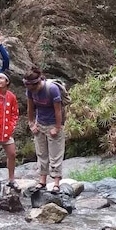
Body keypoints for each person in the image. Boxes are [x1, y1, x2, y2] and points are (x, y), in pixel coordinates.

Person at [24, 65, 65, 193]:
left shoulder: (52, 89)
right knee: (41, 153)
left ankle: (56, 183)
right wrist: (31, 123)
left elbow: (58, 110)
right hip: (40, 123)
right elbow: (30, 107)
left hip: (54, 123)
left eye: (31, 87)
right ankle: (42, 181)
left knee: (55, 154)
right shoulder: (30, 90)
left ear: (36, 83)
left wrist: (57, 128)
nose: (29, 89)